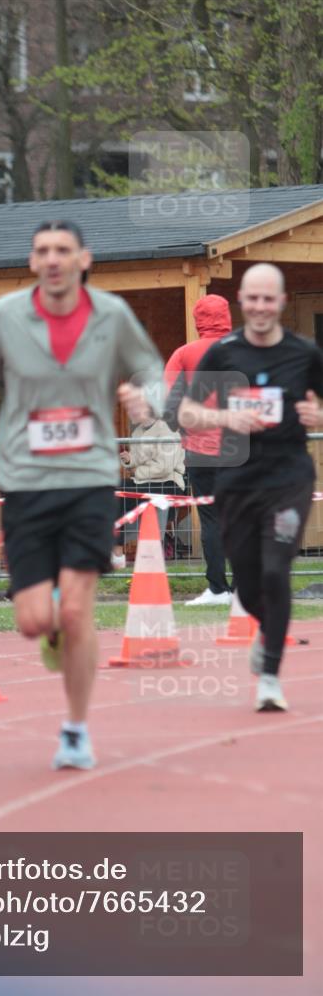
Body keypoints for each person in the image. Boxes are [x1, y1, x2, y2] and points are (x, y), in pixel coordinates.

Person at [0, 220, 163, 770]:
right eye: (42, 251)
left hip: (89, 477)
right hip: (26, 479)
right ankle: (50, 625)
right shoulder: (6, 316)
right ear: (32, 262)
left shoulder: (112, 314)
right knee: (33, 621)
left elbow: (150, 367)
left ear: (82, 260)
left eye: (63, 251)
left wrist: (147, 398)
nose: (52, 259)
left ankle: (75, 729)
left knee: (77, 612)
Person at [179, 263, 323, 712]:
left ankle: (270, 677)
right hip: (238, 478)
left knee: (277, 569)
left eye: (269, 299)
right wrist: (224, 417)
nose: (261, 307)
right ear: (242, 302)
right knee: (246, 580)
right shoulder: (224, 353)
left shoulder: (305, 354)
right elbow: (185, 413)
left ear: (280, 303)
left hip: (288, 479)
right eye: (253, 299)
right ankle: (266, 630)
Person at [165, 294, 234, 606]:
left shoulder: (184, 353)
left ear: (197, 320)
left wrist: (180, 428)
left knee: (211, 519)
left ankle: (218, 589)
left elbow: (168, 405)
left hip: (200, 449)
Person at [113, 411, 186, 562]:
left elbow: (164, 468)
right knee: (115, 489)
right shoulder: (138, 432)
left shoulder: (167, 430)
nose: (129, 410)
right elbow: (138, 459)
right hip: (145, 480)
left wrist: (136, 471)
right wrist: (129, 460)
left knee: (121, 492)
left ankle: (117, 550)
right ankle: (116, 548)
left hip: (169, 482)